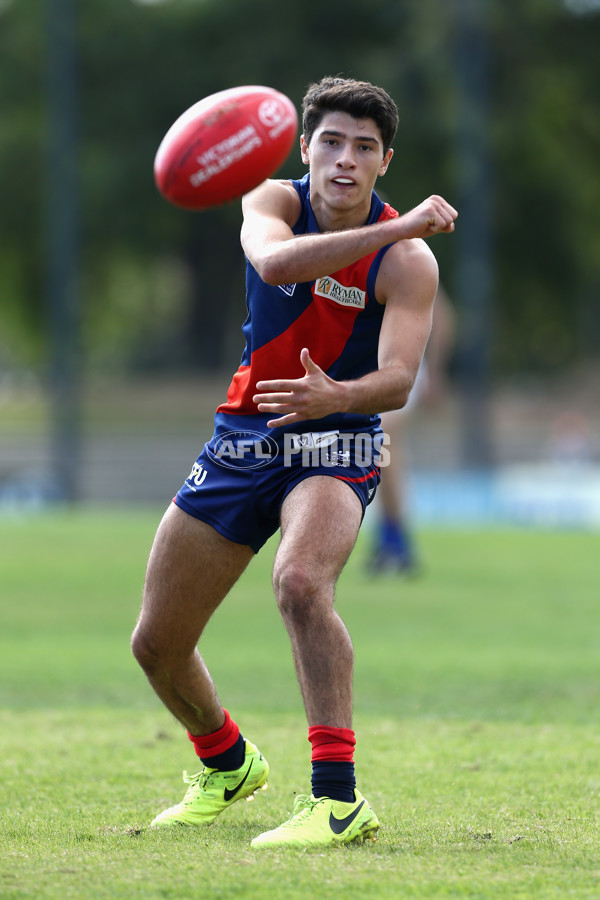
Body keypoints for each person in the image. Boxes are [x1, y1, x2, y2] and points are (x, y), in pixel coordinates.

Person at [131, 76, 457, 849]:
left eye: (366, 148)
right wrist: (398, 224)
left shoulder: (408, 261)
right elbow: (278, 268)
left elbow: (401, 379)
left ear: (384, 161)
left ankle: (337, 800)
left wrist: (335, 395)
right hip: (245, 435)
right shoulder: (269, 201)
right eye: (333, 142)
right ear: (305, 147)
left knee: (302, 583)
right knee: (156, 643)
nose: (347, 160)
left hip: (336, 439)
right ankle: (227, 762)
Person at [369, 284, 456, 573]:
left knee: (381, 440)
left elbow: (444, 318)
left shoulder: (406, 253)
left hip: (405, 367)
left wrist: (435, 371)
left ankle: (394, 540)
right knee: (387, 452)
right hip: (374, 368)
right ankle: (391, 539)